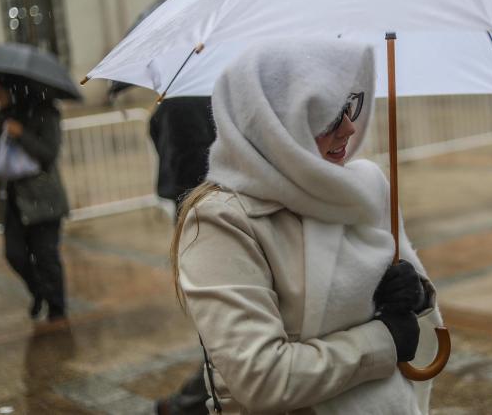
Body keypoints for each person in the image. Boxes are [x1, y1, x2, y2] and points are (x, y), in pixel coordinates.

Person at [171, 38, 443, 414]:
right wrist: (384, 339)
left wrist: (417, 298)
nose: (349, 128)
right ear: (274, 121)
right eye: (328, 114)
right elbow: (262, 378)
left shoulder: (360, 187)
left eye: (351, 106)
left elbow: (424, 339)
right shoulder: (222, 220)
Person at [0, 75, 69, 321]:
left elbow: (48, 155)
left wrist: (22, 133)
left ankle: (57, 308)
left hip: (43, 201)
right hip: (12, 201)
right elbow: (5, 162)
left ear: (14, 90)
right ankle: (40, 292)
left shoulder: (47, 112)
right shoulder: (5, 115)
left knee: (46, 256)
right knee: (15, 254)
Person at [149, 96, 216, 415]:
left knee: (216, 321)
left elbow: (189, 161)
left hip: (199, 207)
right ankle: (190, 401)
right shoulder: (201, 97)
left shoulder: (178, 103)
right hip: (201, 204)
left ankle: (187, 404)